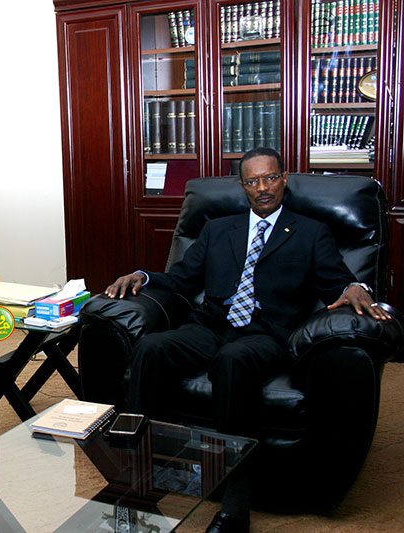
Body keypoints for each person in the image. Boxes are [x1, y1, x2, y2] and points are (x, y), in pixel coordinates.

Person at [105, 147, 391, 533]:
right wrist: (143, 276)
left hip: (266, 334)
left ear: (284, 179)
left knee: (233, 360)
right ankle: (134, 477)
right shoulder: (218, 229)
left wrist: (356, 287)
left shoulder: (311, 231)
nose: (263, 188)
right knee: (151, 347)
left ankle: (235, 509)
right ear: (243, 186)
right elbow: (182, 279)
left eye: (270, 178)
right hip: (210, 326)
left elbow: (337, 280)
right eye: (253, 181)